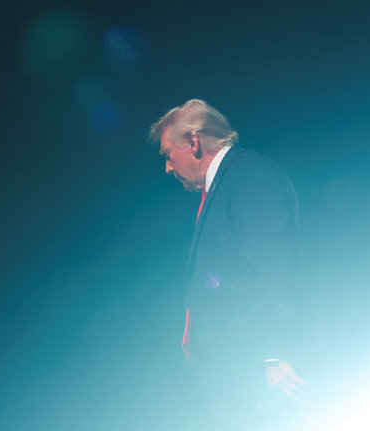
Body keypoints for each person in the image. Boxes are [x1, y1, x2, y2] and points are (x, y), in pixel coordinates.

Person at [149, 99, 308, 430]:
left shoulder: (250, 176)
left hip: (257, 372)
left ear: (194, 143)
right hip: (236, 373)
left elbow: (274, 264)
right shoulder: (224, 185)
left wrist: (274, 354)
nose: (167, 166)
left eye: (167, 154)